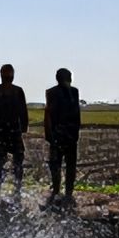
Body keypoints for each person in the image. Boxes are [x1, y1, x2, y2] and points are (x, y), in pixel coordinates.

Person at [0, 64, 29, 198]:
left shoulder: (15, 91)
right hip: (4, 129)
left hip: (10, 129)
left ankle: (14, 190)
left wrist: (23, 127)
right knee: (2, 162)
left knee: (14, 161)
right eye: (8, 74)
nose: (9, 76)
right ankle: (1, 190)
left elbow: (23, 112)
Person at [44, 67, 81, 202]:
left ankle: (65, 191)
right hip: (60, 133)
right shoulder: (55, 92)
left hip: (66, 133)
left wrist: (76, 131)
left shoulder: (72, 92)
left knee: (66, 164)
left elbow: (76, 114)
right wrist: (49, 134)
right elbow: (48, 113)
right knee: (58, 163)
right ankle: (59, 190)